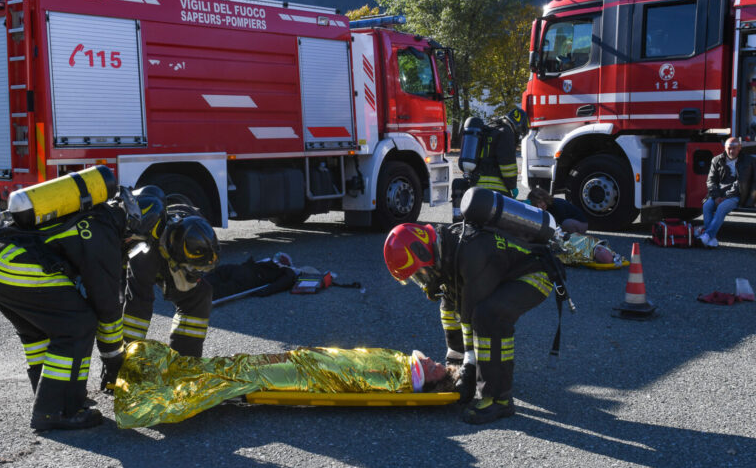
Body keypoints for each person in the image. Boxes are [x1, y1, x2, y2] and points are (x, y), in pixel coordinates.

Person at [0, 184, 135, 431]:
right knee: (78, 326)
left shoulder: (90, 212)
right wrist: (113, 357)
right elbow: (106, 305)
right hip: (9, 266)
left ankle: (50, 394)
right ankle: (55, 411)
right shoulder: (103, 232)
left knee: (37, 330)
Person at [383, 221, 562, 424]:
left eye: (419, 273)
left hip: (536, 272)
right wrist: (457, 367)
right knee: (448, 301)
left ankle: (498, 399)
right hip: (504, 271)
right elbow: (455, 305)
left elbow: (469, 316)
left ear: (424, 253)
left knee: (489, 316)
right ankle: (460, 364)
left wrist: (469, 369)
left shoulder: (471, 253)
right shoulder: (446, 247)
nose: (422, 280)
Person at [113, 340, 455, 428]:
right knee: (237, 365)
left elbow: (352, 378)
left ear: (430, 382)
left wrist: (311, 363)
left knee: (242, 375)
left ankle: (149, 396)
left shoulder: (398, 379)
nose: (433, 361)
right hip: (308, 362)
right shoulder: (399, 363)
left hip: (308, 376)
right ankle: (167, 370)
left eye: (437, 367)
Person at [122, 193, 220, 358]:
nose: (195, 274)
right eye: (192, 268)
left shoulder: (200, 232)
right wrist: (125, 359)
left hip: (170, 252)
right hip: (127, 260)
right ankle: (124, 359)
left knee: (200, 295)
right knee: (132, 306)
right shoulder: (145, 254)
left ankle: (185, 361)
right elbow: (138, 307)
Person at [699, 137, 752, 247]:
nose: (731, 151)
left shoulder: (747, 161)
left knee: (722, 207)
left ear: (740, 148)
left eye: (734, 148)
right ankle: (711, 239)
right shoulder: (717, 160)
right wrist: (716, 196)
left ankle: (707, 235)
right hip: (718, 194)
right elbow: (710, 181)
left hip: (736, 195)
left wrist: (725, 197)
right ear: (725, 148)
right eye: (729, 148)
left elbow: (741, 182)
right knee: (707, 206)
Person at [472, 107, 528, 197]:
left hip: (476, 183)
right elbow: (507, 164)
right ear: (519, 127)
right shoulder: (506, 133)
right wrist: (512, 185)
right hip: (494, 187)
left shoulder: (492, 129)